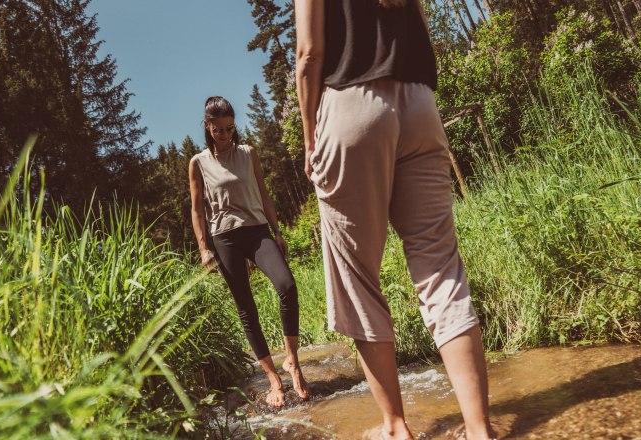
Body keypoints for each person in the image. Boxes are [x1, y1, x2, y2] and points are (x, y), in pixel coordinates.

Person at [294, 0, 496, 438]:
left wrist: (310, 137)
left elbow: (309, 53)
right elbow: (421, 24)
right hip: (419, 103)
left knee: (357, 278)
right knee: (440, 266)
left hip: (350, 107)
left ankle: (396, 426)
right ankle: (480, 429)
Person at [188, 96, 310, 408]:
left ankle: (292, 361)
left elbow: (264, 194)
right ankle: (272, 378)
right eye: (219, 130)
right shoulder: (198, 163)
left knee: (287, 285)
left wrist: (277, 231)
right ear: (208, 127)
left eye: (229, 128)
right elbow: (197, 210)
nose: (225, 135)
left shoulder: (248, 153)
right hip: (224, 237)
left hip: (257, 230)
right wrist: (204, 248)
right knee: (246, 307)